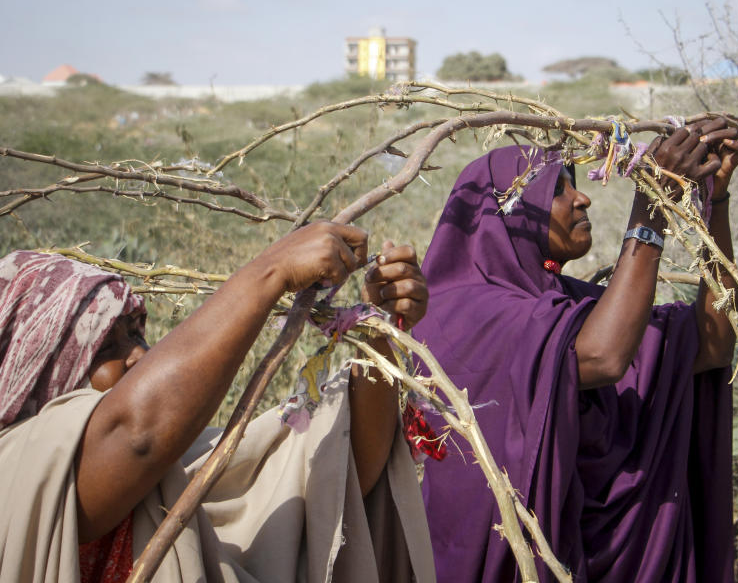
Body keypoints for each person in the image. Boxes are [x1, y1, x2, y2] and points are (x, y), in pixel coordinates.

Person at [0, 221, 435, 583]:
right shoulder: (17, 472)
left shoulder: (181, 470)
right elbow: (135, 433)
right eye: (103, 347)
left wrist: (379, 329)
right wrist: (271, 270)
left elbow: (339, 468)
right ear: (35, 369)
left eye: (136, 334)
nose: (139, 356)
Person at [412, 118, 738, 582]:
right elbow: (603, 357)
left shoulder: (567, 305)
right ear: (504, 213)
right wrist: (649, 211)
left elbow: (709, 346)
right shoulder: (463, 311)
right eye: (557, 189)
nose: (582, 197)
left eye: (574, 184)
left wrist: (715, 198)